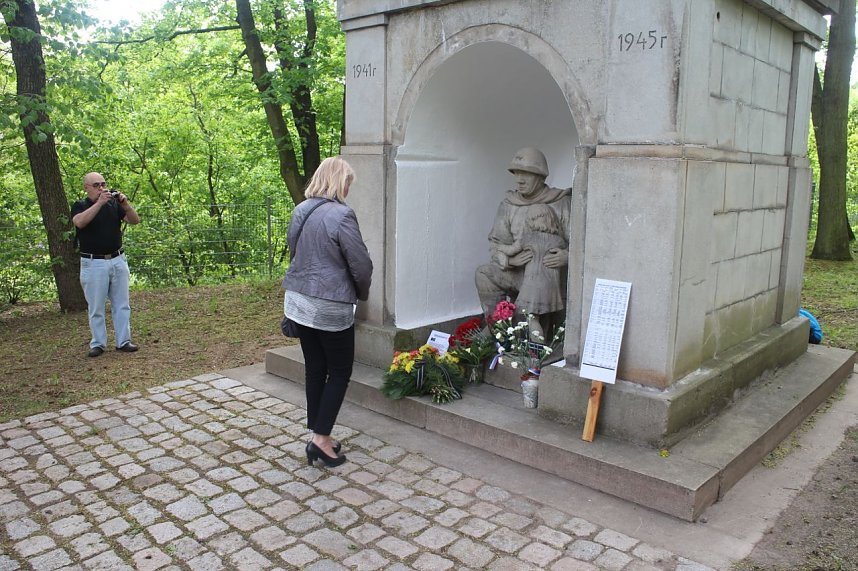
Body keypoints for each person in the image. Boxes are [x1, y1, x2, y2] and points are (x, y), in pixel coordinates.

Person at [281, 157, 373, 468]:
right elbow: (360, 263)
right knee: (340, 371)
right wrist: (361, 294)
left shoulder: (300, 209)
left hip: (298, 302)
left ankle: (318, 433)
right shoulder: (343, 215)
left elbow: (296, 252)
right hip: (329, 306)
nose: (349, 188)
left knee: (315, 368)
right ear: (338, 181)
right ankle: (321, 439)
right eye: (348, 181)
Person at [475, 147, 571, 331]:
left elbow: (581, 244)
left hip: (550, 275)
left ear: (541, 177)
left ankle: (531, 334)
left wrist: (566, 257)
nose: (519, 180)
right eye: (517, 173)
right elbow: (496, 244)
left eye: (526, 174)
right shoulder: (509, 204)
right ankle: (498, 328)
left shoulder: (560, 202)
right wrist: (509, 261)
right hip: (518, 273)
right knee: (484, 274)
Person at [71, 172, 140, 358]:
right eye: (96, 185)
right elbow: (79, 222)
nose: (101, 188)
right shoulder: (80, 206)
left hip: (117, 259)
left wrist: (125, 204)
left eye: (103, 184)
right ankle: (99, 343)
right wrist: (99, 203)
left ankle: (124, 341)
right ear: (86, 187)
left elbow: (134, 220)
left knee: (122, 304)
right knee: (96, 307)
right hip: (94, 263)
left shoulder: (113, 204)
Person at [495, 204, 566, 340]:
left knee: (531, 318)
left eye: (533, 219)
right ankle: (544, 342)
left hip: (532, 286)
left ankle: (538, 348)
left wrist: (500, 249)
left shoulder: (528, 238)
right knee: (543, 315)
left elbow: (510, 250)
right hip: (551, 288)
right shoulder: (559, 241)